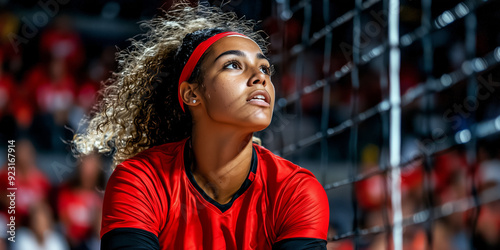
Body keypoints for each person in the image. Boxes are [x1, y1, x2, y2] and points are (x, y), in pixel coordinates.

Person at [72, 3, 329, 249]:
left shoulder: (296, 190)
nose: (260, 77)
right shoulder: (140, 180)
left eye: (264, 68)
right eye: (233, 65)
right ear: (191, 94)